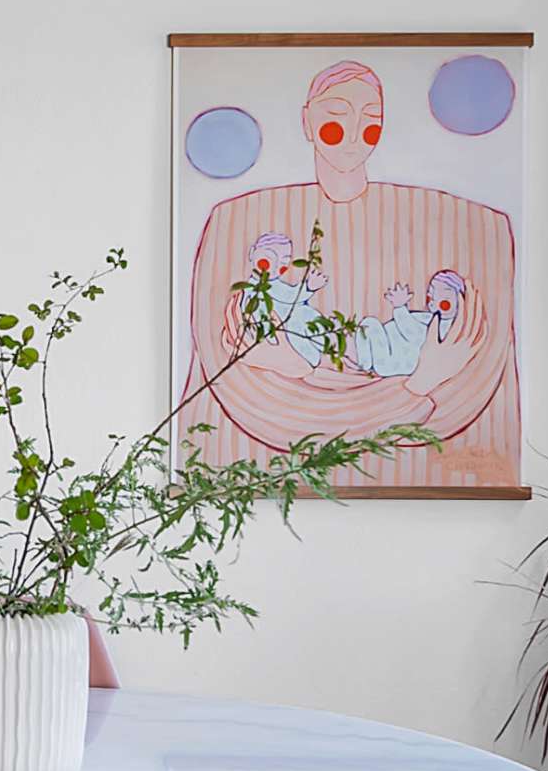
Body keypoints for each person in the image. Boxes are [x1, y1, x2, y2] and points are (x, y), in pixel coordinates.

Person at [182, 60, 519, 489]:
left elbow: (468, 388)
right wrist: (419, 385)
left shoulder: (472, 225)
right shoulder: (236, 222)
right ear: (307, 121)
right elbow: (243, 390)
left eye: (371, 126)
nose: (354, 140)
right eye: (336, 120)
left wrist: (302, 373)